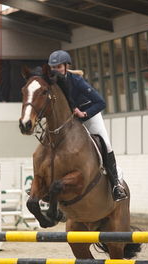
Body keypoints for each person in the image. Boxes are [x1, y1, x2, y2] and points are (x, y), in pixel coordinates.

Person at [48, 50, 127, 201]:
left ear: (65, 66)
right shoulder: (53, 82)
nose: (55, 70)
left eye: (58, 67)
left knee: (106, 145)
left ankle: (116, 184)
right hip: (71, 120)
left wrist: (84, 114)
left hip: (89, 115)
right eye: (53, 67)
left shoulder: (77, 81)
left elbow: (101, 102)